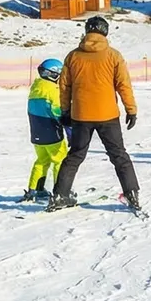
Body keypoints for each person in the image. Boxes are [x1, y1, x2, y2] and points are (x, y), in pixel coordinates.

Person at [47, 16, 141, 213]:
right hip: (108, 115)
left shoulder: (73, 56)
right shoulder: (113, 56)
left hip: (81, 115)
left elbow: (64, 87)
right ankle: (132, 194)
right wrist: (131, 109)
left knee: (75, 155)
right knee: (119, 155)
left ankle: (60, 195)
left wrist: (65, 111)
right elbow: (123, 85)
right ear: (105, 31)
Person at [21, 58, 66, 202]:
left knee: (42, 160)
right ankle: (61, 192)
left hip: (36, 132)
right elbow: (57, 111)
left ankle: (34, 190)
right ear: (53, 74)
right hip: (51, 132)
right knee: (60, 160)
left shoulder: (35, 88)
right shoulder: (52, 90)